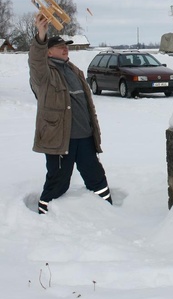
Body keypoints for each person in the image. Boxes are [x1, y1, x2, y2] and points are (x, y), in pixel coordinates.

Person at [29, 13, 112, 214]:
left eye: (66, 46)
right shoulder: (44, 75)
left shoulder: (74, 70)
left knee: (96, 176)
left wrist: (93, 131)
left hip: (84, 137)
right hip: (60, 139)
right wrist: (41, 35)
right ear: (48, 52)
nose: (65, 49)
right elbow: (36, 61)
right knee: (58, 181)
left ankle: (108, 211)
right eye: (59, 47)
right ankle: (45, 215)